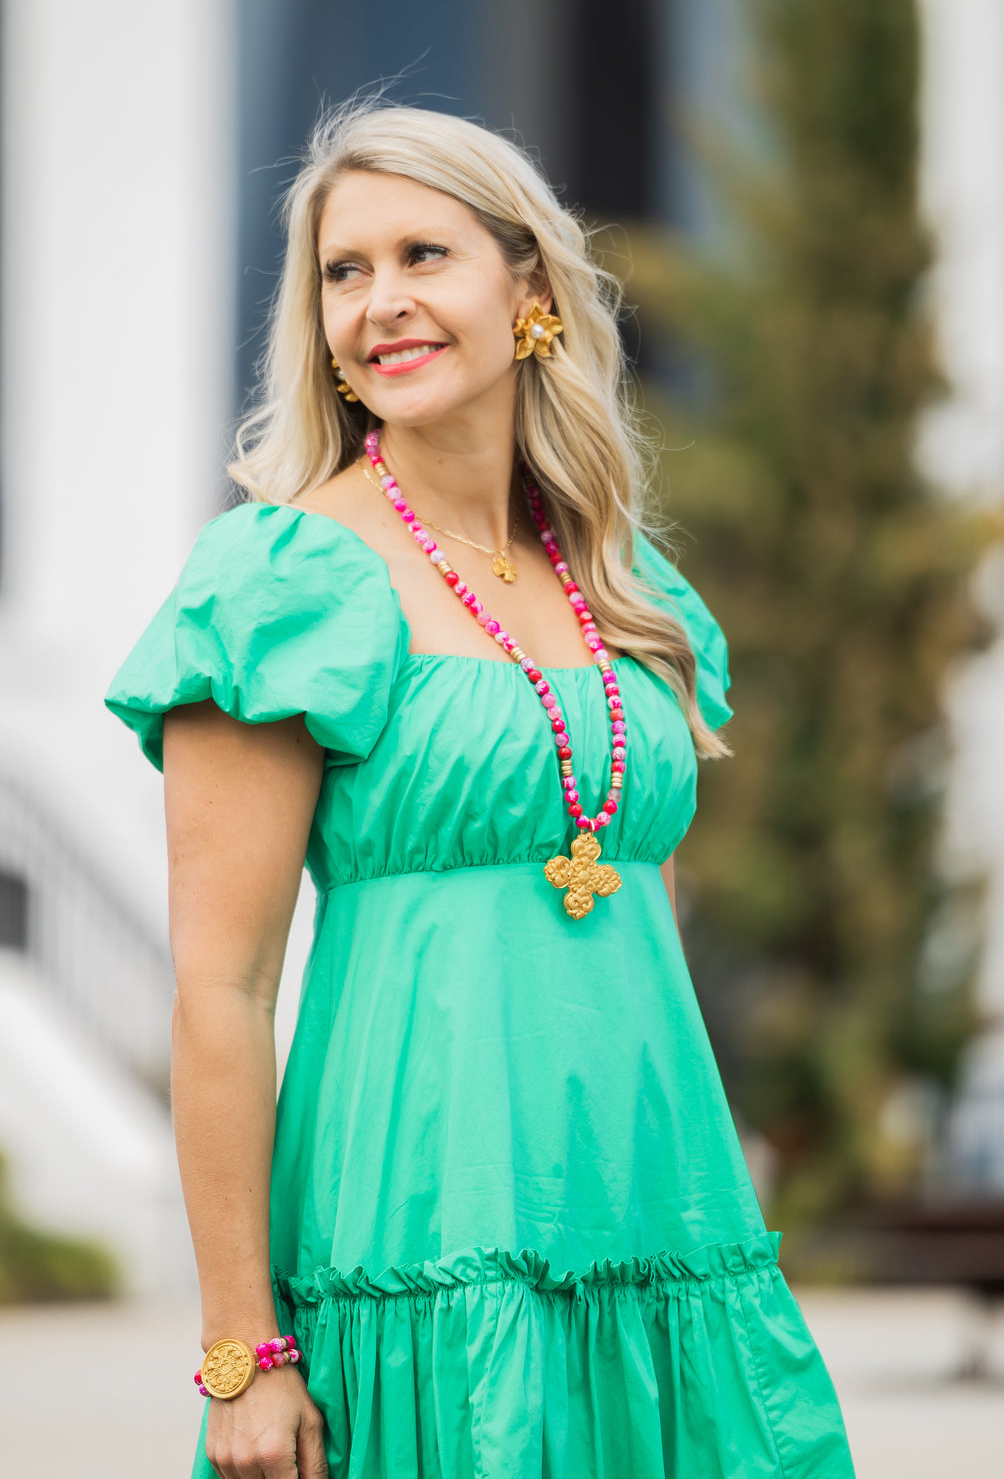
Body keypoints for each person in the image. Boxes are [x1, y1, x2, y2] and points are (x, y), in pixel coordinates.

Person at [106, 101, 856, 1479]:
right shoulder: (281, 583)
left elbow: (641, 923)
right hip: (422, 1230)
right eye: (343, 271)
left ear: (529, 291)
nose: (379, 301)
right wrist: (242, 1355)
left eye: (422, 256)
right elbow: (222, 989)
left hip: (660, 1228)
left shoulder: (627, 586)